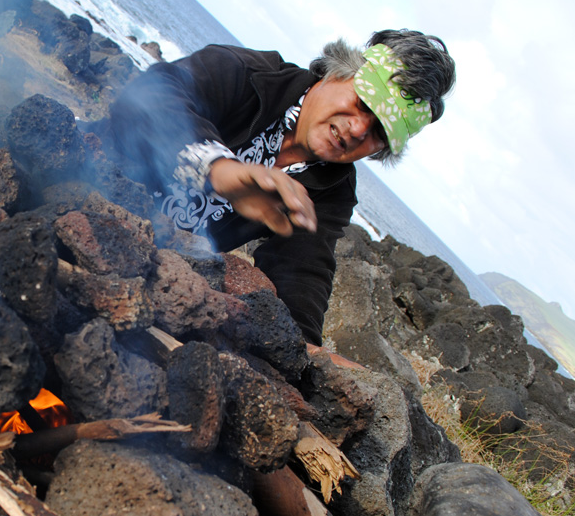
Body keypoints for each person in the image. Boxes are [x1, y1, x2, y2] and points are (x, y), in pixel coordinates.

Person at [107, 29, 456, 350]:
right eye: (363, 102)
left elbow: (303, 269)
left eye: (379, 131)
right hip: (89, 187)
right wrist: (219, 169)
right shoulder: (250, 74)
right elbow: (150, 95)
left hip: (152, 269)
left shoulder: (333, 188)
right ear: (338, 72)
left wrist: (302, 349)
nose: (357, 130)